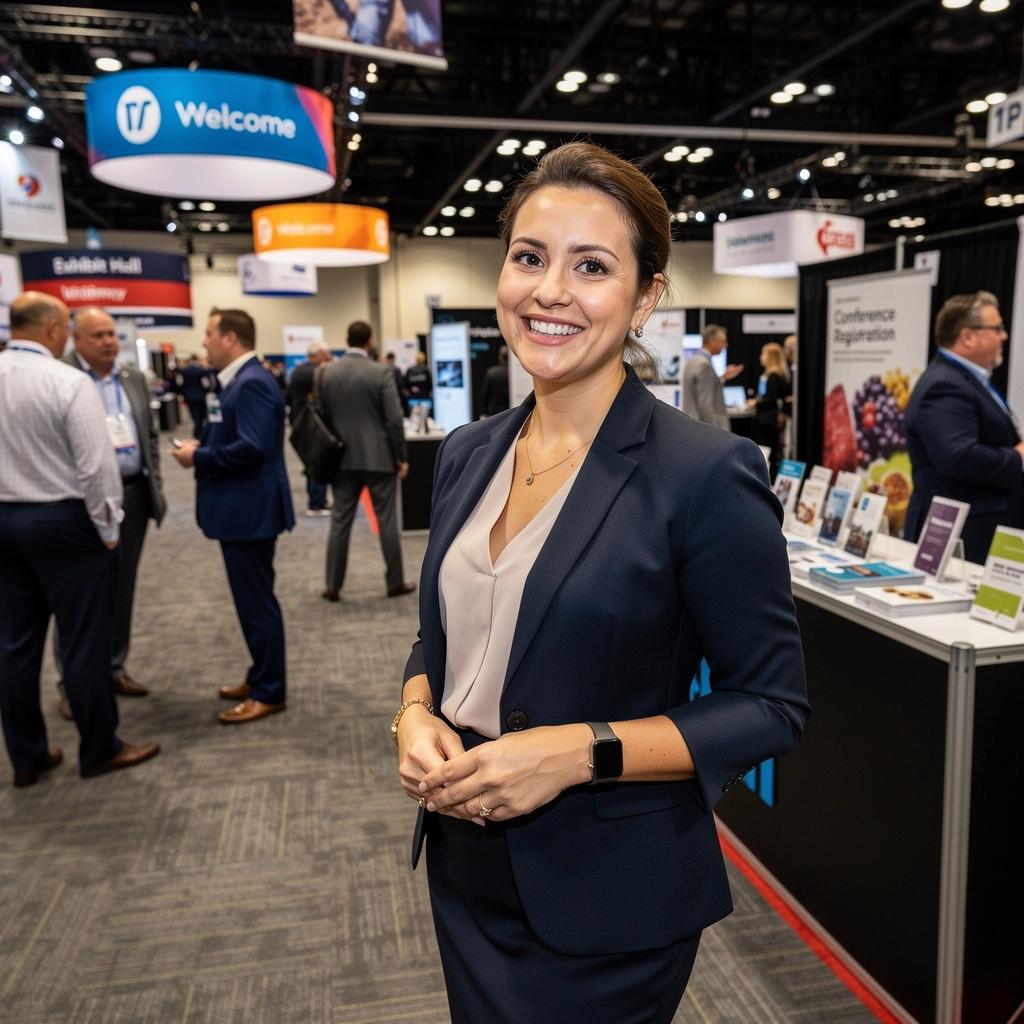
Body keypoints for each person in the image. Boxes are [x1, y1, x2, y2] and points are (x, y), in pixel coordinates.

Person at [393, 142, 809, 1023]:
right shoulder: (470, 453)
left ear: (647, 295)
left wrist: (578, 751)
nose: (549, 291)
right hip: (466, 867)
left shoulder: (705, 473)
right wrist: (415, 711)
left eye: (592, 266)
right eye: (529, 257)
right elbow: (442, 632)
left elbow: (772, 705)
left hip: (608, 894)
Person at [0, 292, 160, 784]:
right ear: (52, 329)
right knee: (85, 639)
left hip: (6, 522)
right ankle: (98, 748)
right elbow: (96, 469)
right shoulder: (67, 381)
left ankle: (26, 758)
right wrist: (109, 529)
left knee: (15, 644)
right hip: (66, 522)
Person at [170, 309, 295, 724]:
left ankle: (269, 690)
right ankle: (261, 675)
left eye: (209, 334)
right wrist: (202, 444)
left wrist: (198, 456)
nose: (203, 342)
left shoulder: (253, 382)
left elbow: (254, 447)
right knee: (252, 600)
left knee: (257, 603)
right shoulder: (242, 380)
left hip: (250, 512)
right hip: (242, 510)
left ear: (231, 339)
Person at [55, 306, 168, 719]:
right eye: (98, 335)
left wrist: (152, 477)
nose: (107, 342)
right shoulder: (63, 376)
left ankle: (114, 665)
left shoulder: (131, 377)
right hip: (81, 500)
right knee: (78, 595)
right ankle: (73, 683)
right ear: (76, 338)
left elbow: (148, 435)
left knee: (122, 587)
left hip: (132, 496)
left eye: (111, 334)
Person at [904, 290, 1024, 562]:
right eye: (997, 328)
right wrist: (1017, 458)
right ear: (967, 336)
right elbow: (959, 457)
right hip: (967, 535)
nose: (1003, 336)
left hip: (976, 528)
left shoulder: (962, 379)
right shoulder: (945, 385)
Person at [319, 321, 415, 601]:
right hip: (379, 457)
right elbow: (394, 419)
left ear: (346, 339)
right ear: (369, 342)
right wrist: (401, 456)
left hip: (341, 459)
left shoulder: (327, 373)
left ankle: (332, 586)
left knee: (340, 522)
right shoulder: (380, 372)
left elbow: (322, 416)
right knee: (387, 522)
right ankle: (395, 582)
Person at [287, 340, 333, 517]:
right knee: (318, 462)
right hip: (311, 424)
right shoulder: (315, 372)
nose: (328, 356)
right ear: (319, 354)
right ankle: (317, 502)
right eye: (326, 353)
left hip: (301, 421)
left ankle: (316, 501)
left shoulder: (299, 370)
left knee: (311, 464)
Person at [681, 323, 744, 431]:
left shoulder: (693, 360)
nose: (726, 346)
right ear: (711, 341)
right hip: (703, 428)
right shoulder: (704, 364)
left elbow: (702, 391)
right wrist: (716, 432)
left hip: (693, 425)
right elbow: (705, 404)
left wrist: (723, 378)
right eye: (723, 341)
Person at [748, 341, 790, 477]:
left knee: (767, 450)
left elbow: (771, 398)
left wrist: (756, 403)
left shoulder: (773, 376)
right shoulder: (772, 375)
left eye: (763, 354)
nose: (761, 357)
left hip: (768, 420)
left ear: (770, 357)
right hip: (768, 419)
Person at [176, 355, 215, 438]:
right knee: (201, 415)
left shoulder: (183, 371)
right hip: (201, 396)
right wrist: (206, 392)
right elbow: (206, 384)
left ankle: (198, 431)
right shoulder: (201, 371)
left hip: (189, 397)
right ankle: (199, 431)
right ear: (196, 360)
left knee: (194, 415)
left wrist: (183, 394)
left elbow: (180, 384)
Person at [480, 344, 510, 416]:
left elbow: (485, 395)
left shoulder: (492, 372)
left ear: (500, 357)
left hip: (495, 413)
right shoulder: (513, 374)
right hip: (512, 410)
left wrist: (485, 412)